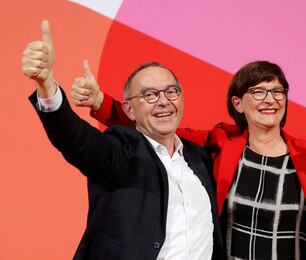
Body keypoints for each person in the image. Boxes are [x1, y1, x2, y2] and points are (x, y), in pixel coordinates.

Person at [72, 52, 306, 260]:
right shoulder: (218, 144)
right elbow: (157, 128)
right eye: (257, 91)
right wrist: (103, 102)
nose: (269, 99)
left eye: (277, 91)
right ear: (238, 103)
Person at [22, 20, 224, 260]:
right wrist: (47, 87)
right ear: (129, 110)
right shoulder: (121, 149)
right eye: (150, 95)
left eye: (172, 92)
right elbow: (77, 140)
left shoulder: (199, 157)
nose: (163, 101)